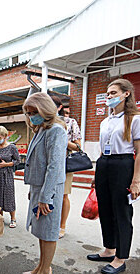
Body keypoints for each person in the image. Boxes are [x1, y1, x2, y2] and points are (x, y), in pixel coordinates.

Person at [87, 78, 140, 274]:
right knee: (105, 209)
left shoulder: (136, 118)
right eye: (108, 93)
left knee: (121, 212)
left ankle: (120, 257)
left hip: (123, 165)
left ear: (126, 94)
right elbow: (102, 149)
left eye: (113, 93)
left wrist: (136, 181)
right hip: (104, 163)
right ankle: (109, 249)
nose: (109, 96)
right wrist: (97, 174)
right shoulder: (106, 121)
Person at [22, 92, 67, 274]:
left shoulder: (56, 130)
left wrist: (45, 196)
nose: (31, 116)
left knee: (48, 232)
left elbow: (55, 167)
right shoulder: (41, 129)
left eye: (34, 112)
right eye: (29, 113)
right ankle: (41, 266)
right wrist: (35, 190)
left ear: (45, 110)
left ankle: (46, 271)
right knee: (40, 230)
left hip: (50, 190)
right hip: (40, 187)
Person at [50, 96, 82, 239]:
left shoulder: (70, 122)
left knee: (63, 195)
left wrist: (64, 140)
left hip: (63, 164)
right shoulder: (44, 122)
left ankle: (61, 226)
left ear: (59, 107)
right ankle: (50, 223)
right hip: (47, 164)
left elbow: (78, 147)